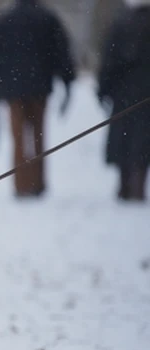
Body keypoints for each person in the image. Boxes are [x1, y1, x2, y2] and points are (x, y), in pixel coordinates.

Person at [0, 0, 77, 198]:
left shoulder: (4, 19)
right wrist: (67, 79)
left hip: (13, 90)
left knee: (18, 138)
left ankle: (22, 185)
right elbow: (61, 50)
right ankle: (38, 182)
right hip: (39, 86)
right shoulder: (47, 18)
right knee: (38, 135)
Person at [97, 0, 150, 202]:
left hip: (124, 93)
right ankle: (138, 186)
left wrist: (103, 89)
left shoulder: (120, 24)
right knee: (143, 142)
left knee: (124, 139)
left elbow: (109, 61)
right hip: (145, 95)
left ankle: (123, 185)